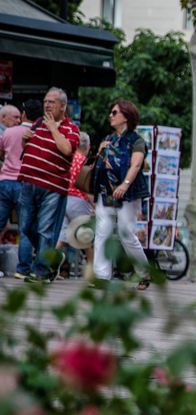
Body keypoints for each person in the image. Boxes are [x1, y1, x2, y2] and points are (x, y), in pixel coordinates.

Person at [16, 87, 80, 282]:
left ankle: (42, 271)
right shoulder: (37, 123)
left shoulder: (71, 129)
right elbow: (28, 149)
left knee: (46, 229)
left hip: (52, 186)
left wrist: (53, 128)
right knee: (26, 227)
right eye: (45, 101)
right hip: (29, 182)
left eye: (51, 102)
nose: (47, 104)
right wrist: (24, 141)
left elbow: (67, 149)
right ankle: (52, 257)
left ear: (63, 106)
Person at [91, 99, 151, 288]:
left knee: (126, 234)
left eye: (115, 112)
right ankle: (101, 276)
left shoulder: (136, 140)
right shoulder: (108, 139)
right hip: (105, 192)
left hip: (128, 193)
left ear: (126, 117)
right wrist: (99, 152)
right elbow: (97, 167)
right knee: (102, 232)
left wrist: (125, 184)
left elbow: (136, 164)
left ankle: (144, 272)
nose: (111, 115)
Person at [0, 100, 42, 243]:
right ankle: (24, 266)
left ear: (24, 115)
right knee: (25, 229)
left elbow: (1, 153)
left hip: (5, 182)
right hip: (24, 183)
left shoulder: (7, 132)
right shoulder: (39, 134)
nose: (17, 120)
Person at [56, 131, 94, 277]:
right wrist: (94, 205)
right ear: (87, 146)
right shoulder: (83, 162)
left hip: (64, 198)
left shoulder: (67, 158)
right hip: (78, 200)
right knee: (87, 237)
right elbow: (86, 187)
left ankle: (47, 266)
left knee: (62, 237)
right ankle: (92, 272)